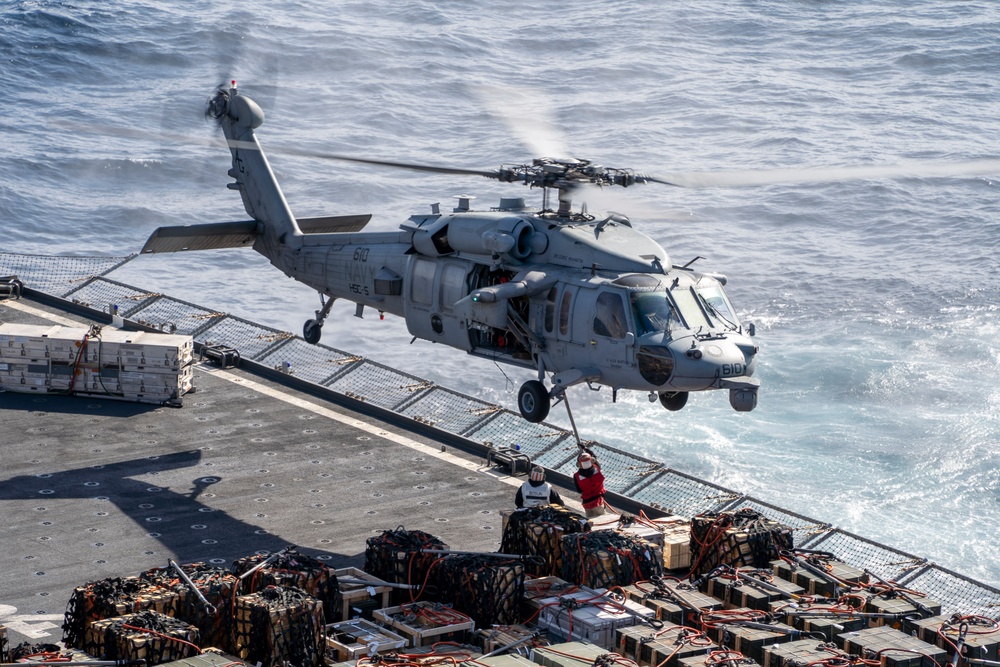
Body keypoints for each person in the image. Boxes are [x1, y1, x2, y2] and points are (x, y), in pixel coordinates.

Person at [573, 451, 607, 517]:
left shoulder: (576, 476)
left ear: (579, 464)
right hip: (598, 502)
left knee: (590, 521)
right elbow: (595, 458)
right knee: (602, 519)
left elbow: (579, 490)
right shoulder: (597, 469)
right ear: (592, 461)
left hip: (587, 503)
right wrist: (586, 449)